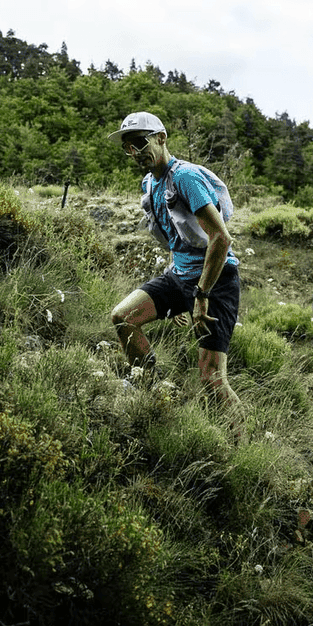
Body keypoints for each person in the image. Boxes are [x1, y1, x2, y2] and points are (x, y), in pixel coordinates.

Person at [107, 111, 241, 409]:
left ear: (161, 138)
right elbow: (177, 236)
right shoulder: (150, 184)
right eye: (128, 147)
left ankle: (242, 444)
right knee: (123, 317)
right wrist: (180, 295)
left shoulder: (185, 178)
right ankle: (152, 393)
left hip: (215, 282)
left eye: (140, 143)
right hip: (180, 276)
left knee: (211, 378)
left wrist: (200, 297)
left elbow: (221, 238)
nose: (135, 153)